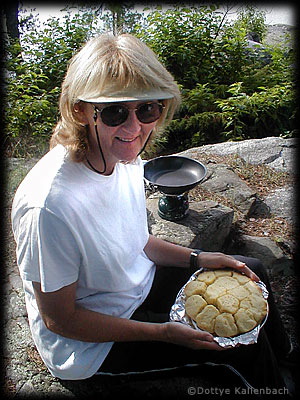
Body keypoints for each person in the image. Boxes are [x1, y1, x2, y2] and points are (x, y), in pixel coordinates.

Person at [11, 33, 291, 390]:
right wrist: (162, 334)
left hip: (134, 288)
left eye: (147, 109)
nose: (134, 128)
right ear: (80, 110)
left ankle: (286, 355)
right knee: (237, 353)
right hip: (90, 348)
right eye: (114, 111)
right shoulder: (49, 207)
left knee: (252, 269)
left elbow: (138, 242)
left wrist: (201, 257)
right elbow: (60, 320)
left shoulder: (122, 157)